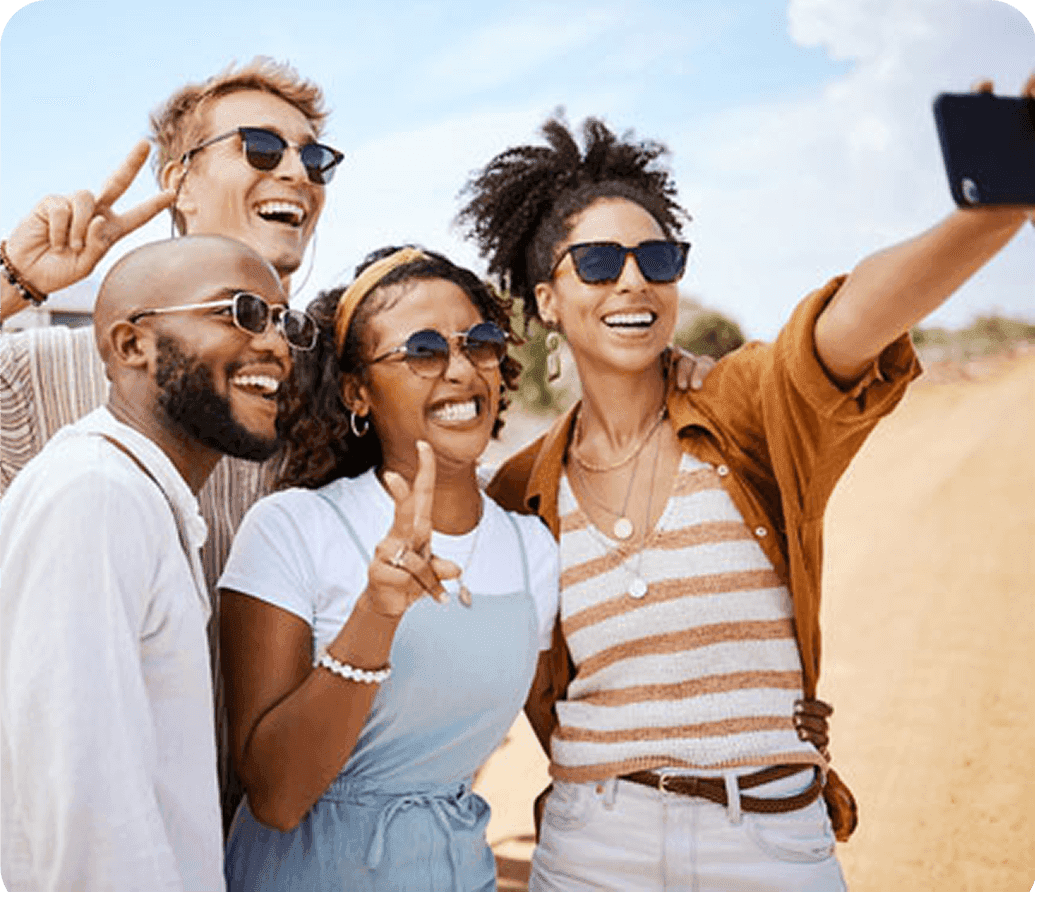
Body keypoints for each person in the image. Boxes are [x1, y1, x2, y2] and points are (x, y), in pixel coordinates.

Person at [457, 81, 1034, 891]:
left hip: (768, 842)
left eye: (657, 259)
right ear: (547, 300)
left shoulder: (746, 406)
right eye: (596, 262)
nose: (633, 281)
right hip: (592, 847)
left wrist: (991, 210)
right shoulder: (520, 488)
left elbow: (853, 314)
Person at [0, 58, 340, 827]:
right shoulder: (44, 368)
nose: (296, 169)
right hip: (95, 832)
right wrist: (14, 280)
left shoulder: (319, 384)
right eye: (259, 146)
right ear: (178, 181)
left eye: (313, 157)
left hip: (268, 838)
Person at [217, 246, 559, 891]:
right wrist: (378, 609)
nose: (460, 370)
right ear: (357, 391)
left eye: (479, 343)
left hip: (456, 875)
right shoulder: (295, 528)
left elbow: (570, 736)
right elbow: (277, 797)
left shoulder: (531, 550)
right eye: (424, 351)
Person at [0, 234, 313, 890]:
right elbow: (85, 802)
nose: (276, 346)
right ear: (129, 345)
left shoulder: (134, 496)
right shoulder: (95, 496)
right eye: (241, 311)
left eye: (284, 321)